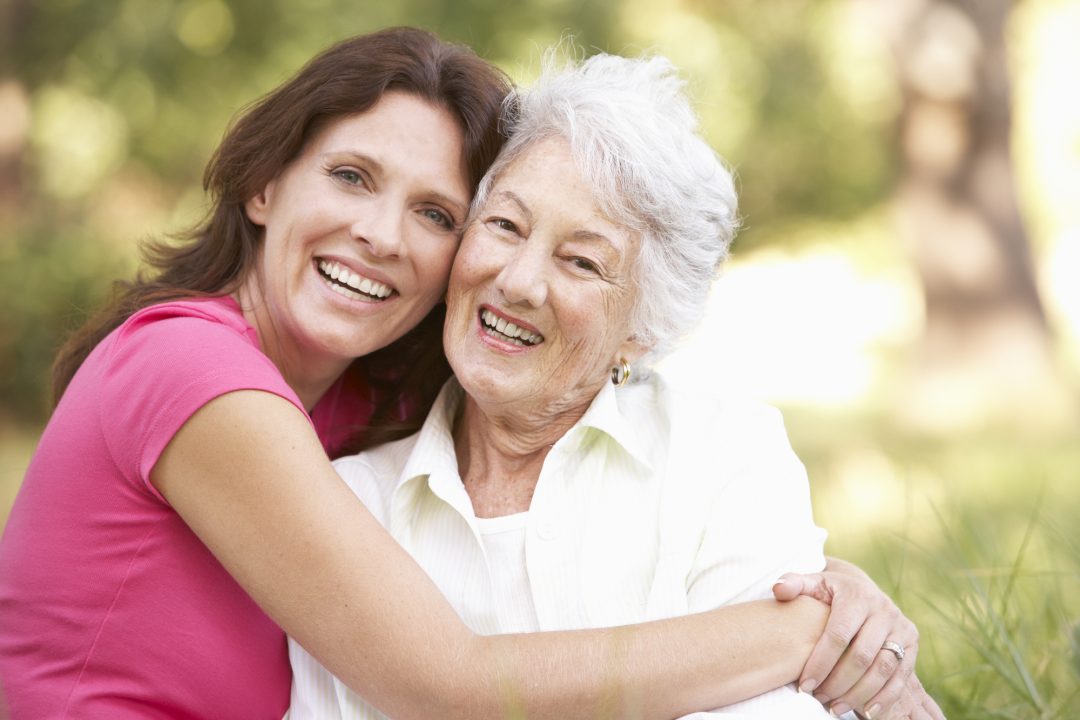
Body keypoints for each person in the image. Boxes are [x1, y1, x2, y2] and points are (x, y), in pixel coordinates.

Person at [0, 26, 921, 720]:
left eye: (437, 213)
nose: (382, 234)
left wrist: (830, 579)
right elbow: (446, 683)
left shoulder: (366, 401)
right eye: (352, 176)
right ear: (265, 183)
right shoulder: (190, 369)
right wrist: (801, 629)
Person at [288, 52, 944, 719]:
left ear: (641, 331)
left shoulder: (723, 454)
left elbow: (777, 709)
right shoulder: (356, 503)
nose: (518, 281)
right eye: (505, 225)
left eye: (581, 261)